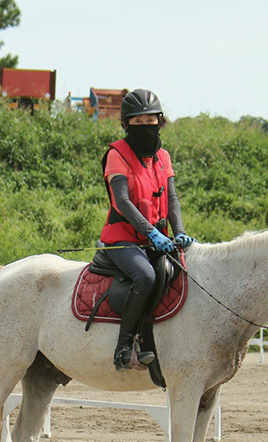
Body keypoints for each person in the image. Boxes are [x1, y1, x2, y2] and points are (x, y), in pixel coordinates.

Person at [98, 89, 195, 371]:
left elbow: (172, 199)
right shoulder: (117, 154)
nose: (145, 127)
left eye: (150, 121)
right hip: (123, 240)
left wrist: (178, 232)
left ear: (159, 121)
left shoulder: (163, 156)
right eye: (137, 123)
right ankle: (125, 346)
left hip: (159, 239)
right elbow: (122, 200)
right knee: (146, 275)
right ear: (126, 125)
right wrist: (151, 232)